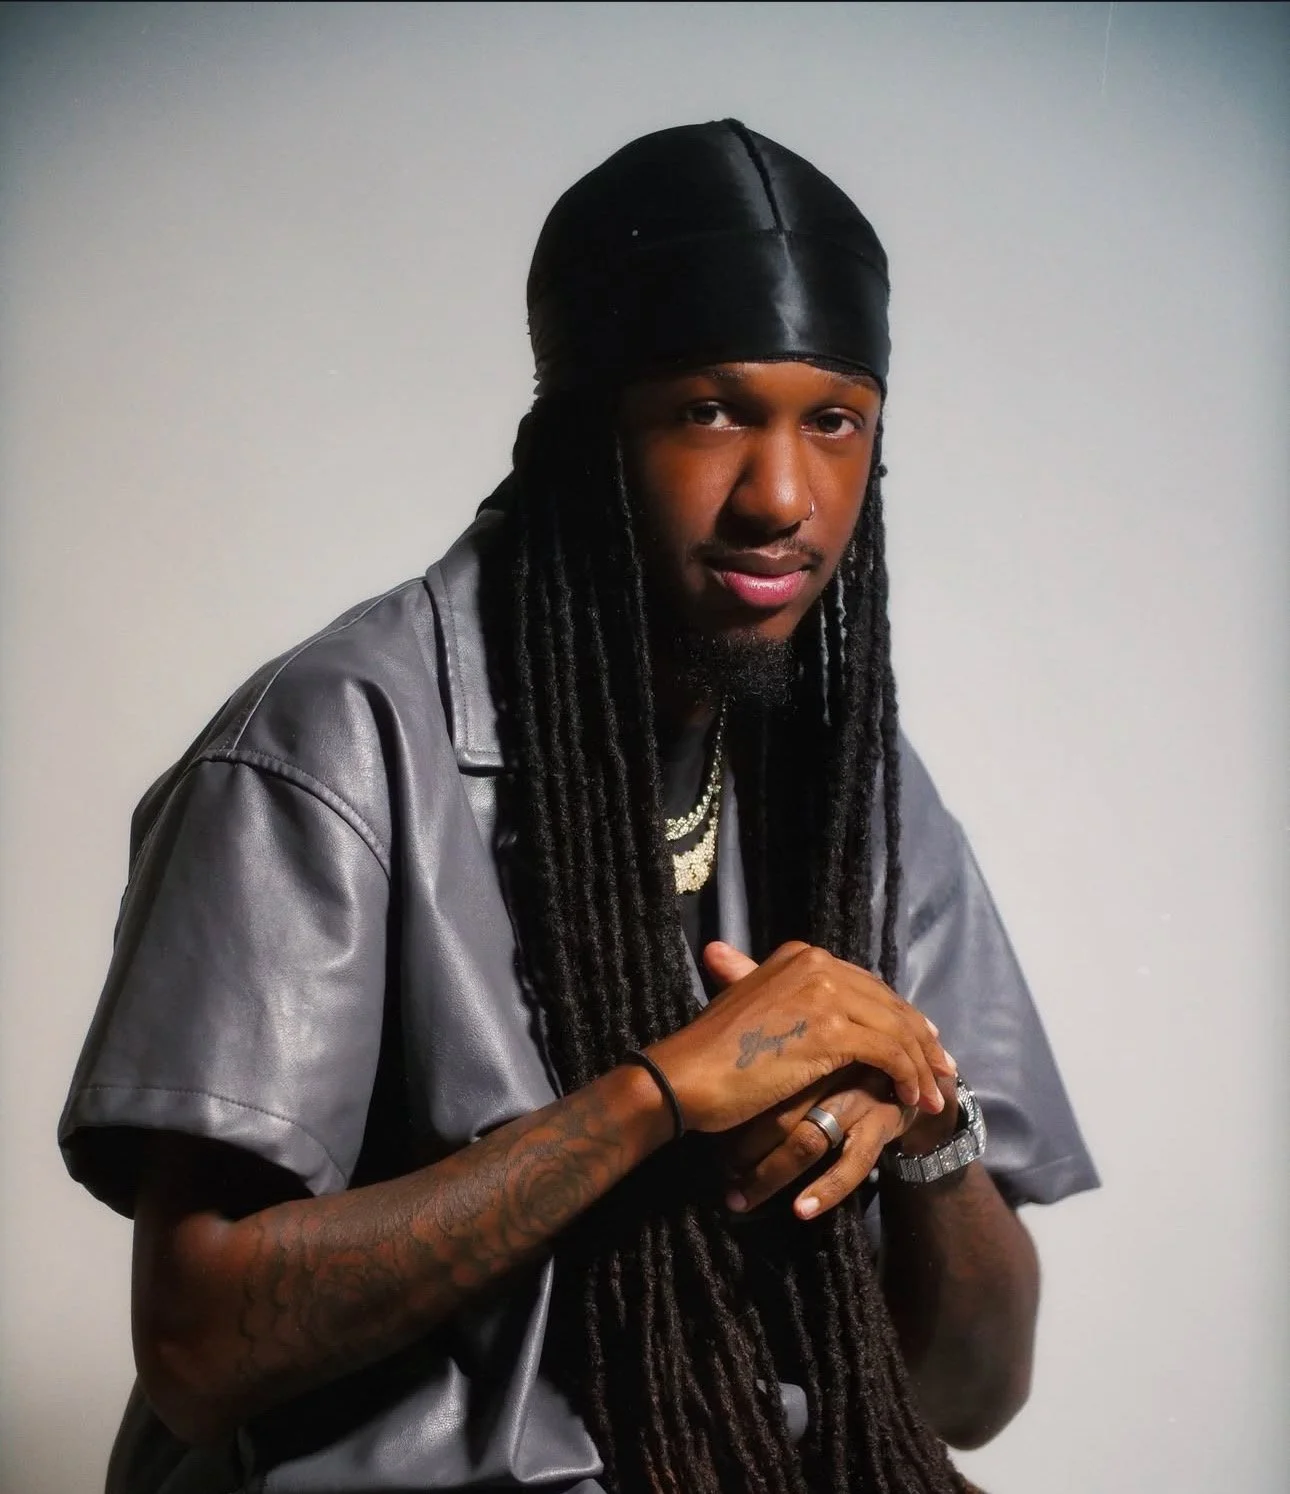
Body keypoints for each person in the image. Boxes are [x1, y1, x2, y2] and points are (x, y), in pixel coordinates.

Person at [60, 120, 1098, 1494]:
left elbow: (966, 1396)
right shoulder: (334, 746)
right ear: (587, 432)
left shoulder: (854, 790)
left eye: (832, 421)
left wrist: (923, 1124)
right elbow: (197, 1346)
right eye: (710, 409)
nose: (781, 497)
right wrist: (655, 1097)